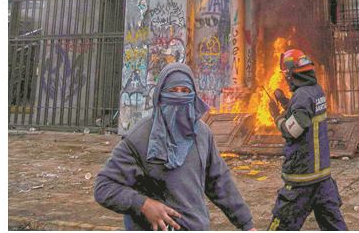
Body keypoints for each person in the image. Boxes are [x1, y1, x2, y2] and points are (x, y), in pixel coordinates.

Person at [94, 62, 255, 231]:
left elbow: (219, 180)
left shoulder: (202, 134)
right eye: (173, 91)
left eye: (185, 92)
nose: (179, 97)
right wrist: (144, 205)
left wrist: (246, 224)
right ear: (160, 95)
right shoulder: (139, 138)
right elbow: (104, 187)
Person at [265, 49, 347, 231]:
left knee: (281, 226)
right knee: (334, 226)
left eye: (286, 73)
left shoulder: (301, 95)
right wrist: (287, 103)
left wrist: (276, 116)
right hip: (322, 179)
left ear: (292, 73)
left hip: (302, 179)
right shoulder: (316, 91)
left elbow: (293, 130)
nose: (285, 78)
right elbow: (306, 114)